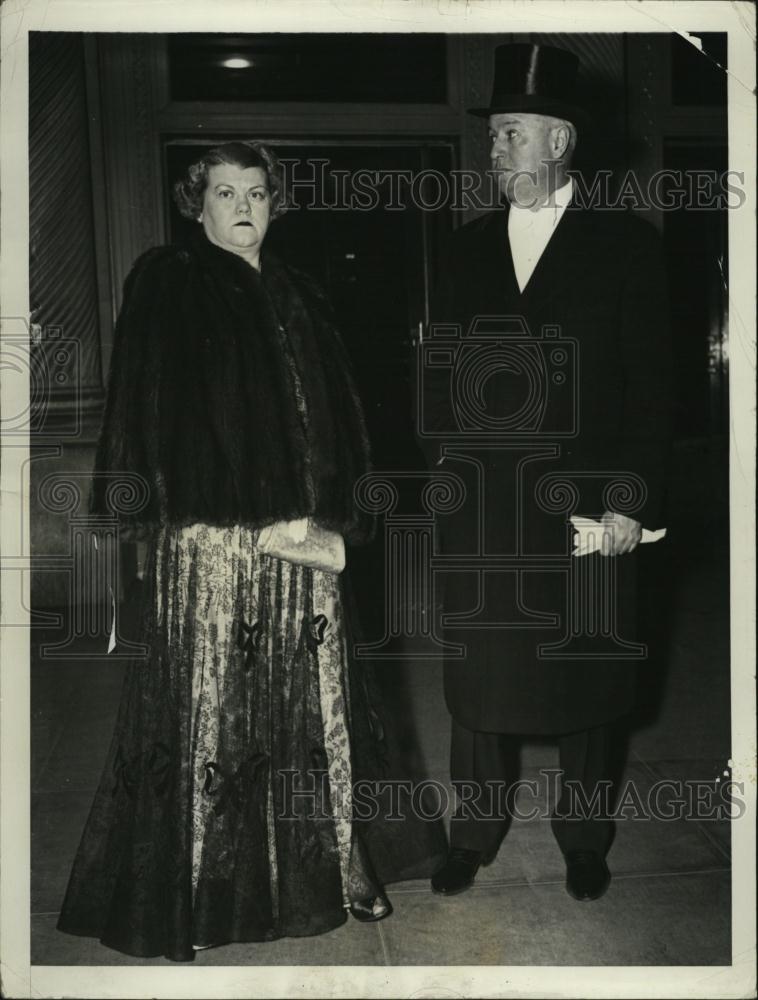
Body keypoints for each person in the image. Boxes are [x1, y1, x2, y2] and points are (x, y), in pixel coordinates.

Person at [56, 140, 444, 961]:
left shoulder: (301, 291)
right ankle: (198, 890)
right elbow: (149, 415)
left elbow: (343, 418)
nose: (242, 206)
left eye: (257, 193)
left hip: (305, 540)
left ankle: (337, 867)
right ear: (195, 204)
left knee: (319, 706)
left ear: (274, 203)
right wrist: (233, 516)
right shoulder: (169, 282)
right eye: (225, 192)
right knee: (213, 714)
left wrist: (341, 520)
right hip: (216, 543)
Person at [421, 44, 674, 901]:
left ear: (560, 140)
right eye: (494, 133)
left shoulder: (629, 249)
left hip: (589, 506)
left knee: (589, 678)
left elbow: (654, 390)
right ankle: (472, 834)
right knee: (479, 681)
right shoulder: (460, 250)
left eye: (513, 133)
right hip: (487, 510)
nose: (496, 149)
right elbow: (438, 381)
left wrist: (629, 504)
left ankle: (586, 840)